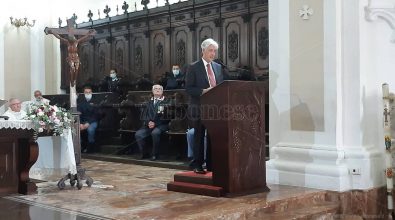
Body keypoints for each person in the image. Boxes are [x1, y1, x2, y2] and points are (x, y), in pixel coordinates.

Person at [186, 38, 224, 174]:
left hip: (214, 108)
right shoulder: (193, 67)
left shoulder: (218, 67)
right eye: (210, 51)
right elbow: (189, 88)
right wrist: (203, 91)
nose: (213, 54)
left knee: (213, 136)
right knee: (199, 136)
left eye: (214, 51)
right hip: (198, 106)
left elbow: (221, 85)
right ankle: (197, 164)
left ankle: (211, 165)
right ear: (203, 51)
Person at [45, 21, 96, 87]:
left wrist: (89, 33)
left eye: (73, 38)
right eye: (71, 38)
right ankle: (71, 81)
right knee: (72, 68)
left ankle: (74, 80)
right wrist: (53, 32)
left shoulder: (76, 42)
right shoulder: (67, 42)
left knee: (77, 69)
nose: (72, 39)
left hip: (76, 57)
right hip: (70, 57)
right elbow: (59, 37)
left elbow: (84, 37)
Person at [135, 84, 170, 161]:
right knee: (139, 134)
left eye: (159, 89)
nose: (157, 90)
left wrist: (155, 123)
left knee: (155, 133)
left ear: (162, 91)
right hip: (149, 124)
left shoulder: (167, 101)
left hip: (161, 125)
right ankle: (144, 153)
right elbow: (144, 115)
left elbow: (167, 116)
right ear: (152, 91)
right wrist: (148, 122)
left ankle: (155, 154)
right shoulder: (148, 102)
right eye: (155, 89)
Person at [77, 86, 101, 153]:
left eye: (89, 92)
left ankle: (91, 147)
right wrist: (80, 123)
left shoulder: (95, 101)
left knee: (90, 129)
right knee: (76, 129)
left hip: (93, 121)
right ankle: (80, 146)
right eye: (86, 92)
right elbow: (79, 113)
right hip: (83, 121)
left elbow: (96, 115)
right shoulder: (81, 102)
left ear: (91, 92)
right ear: (84, 93)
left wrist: (88, 123)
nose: (88, 94)